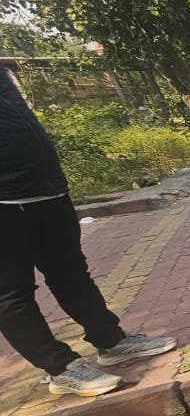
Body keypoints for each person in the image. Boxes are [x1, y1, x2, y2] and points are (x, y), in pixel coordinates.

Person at [0, 69, 176, 397]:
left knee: (71, 273)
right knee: (12, 293)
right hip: (5, 202)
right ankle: (60, 368)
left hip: (46, 187)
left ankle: (111, 342)